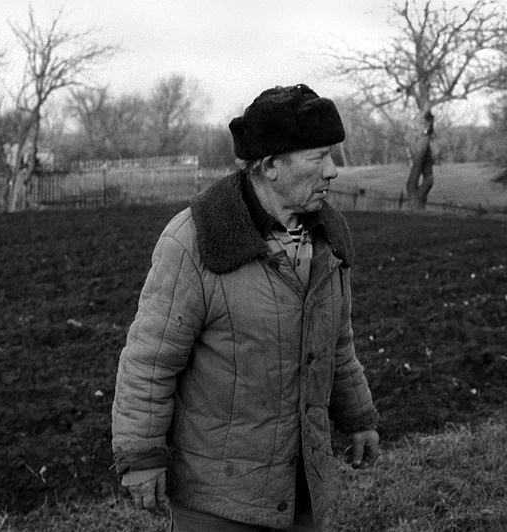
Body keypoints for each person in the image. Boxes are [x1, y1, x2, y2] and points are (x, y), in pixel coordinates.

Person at [112, 83, 380, 531]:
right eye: (319, 157)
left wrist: (358, 418)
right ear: (272, 166)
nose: (332, 171)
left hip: (301, 489)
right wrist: (140, 456)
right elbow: (149, 360)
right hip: (217, 499)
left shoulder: (329, 239)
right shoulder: (194, 241)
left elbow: (338, 345)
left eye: (333, 155)